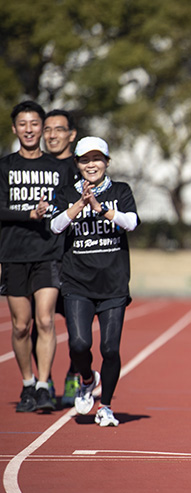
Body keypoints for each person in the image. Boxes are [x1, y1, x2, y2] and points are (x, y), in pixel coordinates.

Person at [50, 136, 140, 427]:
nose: (92, 164)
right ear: (77, 164)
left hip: (113, 283)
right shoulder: (65, 193)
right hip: (77, 282)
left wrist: (100, 207)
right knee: (78, 344)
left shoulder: (121, 190)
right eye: (85, 160)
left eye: (97, 159)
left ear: (107, 162)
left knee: (110, 349)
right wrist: (79, 205)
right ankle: (87, 378)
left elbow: (132, 223)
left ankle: (107, 406)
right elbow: (54, 226)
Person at [0, 100, 69, 413]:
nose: (29, 129)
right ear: (15, 129)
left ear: (43, 128)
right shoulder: (4, 167)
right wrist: (30, 213)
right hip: (13, 254)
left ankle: (44, 385)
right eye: (23, 124)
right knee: (20, 326)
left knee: (45, 320)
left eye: (35, 124)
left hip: (48, 253)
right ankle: (27, 383)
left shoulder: (59, 169)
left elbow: (68, 208)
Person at [41, 109, 81, 406]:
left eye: (59, 129)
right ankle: (43, 382)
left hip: (71, 258)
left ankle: (72, 374)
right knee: (36, 321)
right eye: (47, 129)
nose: (52, 135)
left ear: (71, 134)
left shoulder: (80, 169)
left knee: (77, 326)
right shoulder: (32, 167)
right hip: (38, 255)